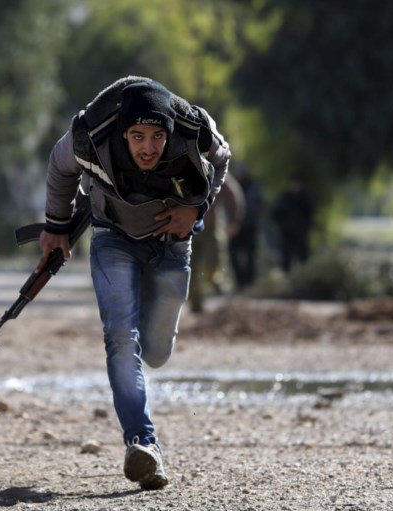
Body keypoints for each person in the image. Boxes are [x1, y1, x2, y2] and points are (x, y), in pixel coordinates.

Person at [36, 76, 231, 490]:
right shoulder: (89, 134)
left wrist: (196, 210)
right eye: (138, 136)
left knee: (156, 353)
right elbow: (60, 166)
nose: (148, 148)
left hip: (172, 243)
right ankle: (142, 442)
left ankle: (143, 353)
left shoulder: (194, 127)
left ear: (170, 132)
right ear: (123, 133)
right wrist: (55, 225)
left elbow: (222, 158)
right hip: (113, 237)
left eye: (157, 137)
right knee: (121, 338)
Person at [188, 172, 245, 312]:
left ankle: (221, 288)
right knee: (189, 270)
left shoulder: (217, 172)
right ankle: (196, 304)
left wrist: (234, 220)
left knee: (213, 265)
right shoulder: (181, 167)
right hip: (187, 231)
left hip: (211, 229)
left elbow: (233, 196)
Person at [228, 163, 263, 288]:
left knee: (250, 254)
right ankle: (240, 281)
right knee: (232, 254)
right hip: (235, 226)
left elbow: (260, 204)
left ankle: (249, 281)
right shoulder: (232, 186)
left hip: (250, 226)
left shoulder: (255, 186)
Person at [271, 174, 313, 272]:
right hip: (286, 233)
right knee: (286, 260)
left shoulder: (305, 199)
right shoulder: (284, 198)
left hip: (301, 233)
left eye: (297, 184)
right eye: (293, 184)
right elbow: (274, 214)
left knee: (303, 258)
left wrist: (304, 226)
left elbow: (309, 216)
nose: (295, 186)